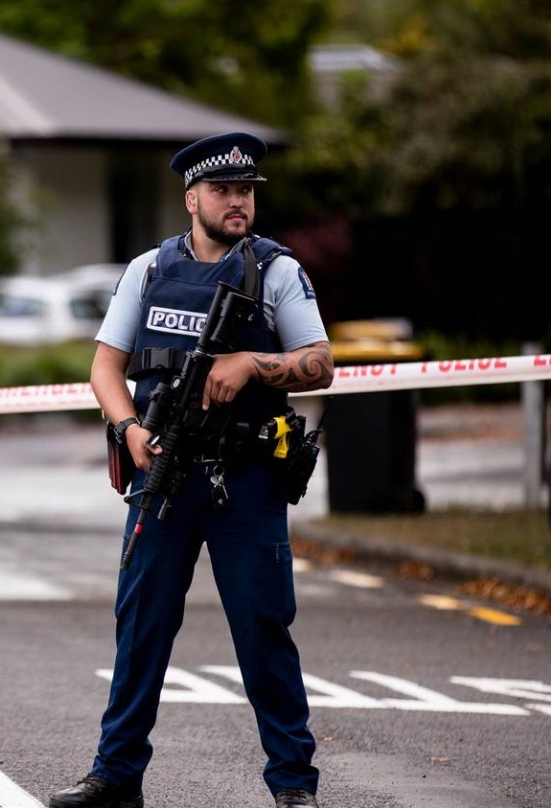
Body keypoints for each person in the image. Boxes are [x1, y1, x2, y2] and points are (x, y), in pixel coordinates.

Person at [48, 132, 334, 808]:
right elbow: (104, 367)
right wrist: (129, 428)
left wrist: (251, 365)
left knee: (262, 629)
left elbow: (319, 363)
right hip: (162, 471)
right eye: (224, 191)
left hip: (248, 478)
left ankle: (293, 785)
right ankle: (115, 777)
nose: (238, 202)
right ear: (192, 199)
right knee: (140, 626)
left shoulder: (277, 272)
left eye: (246, 192)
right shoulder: (148, 269)